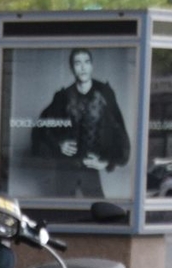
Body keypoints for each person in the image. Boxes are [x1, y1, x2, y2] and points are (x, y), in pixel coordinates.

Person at [33, 48, 132, 198]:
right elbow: (42, 128)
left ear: (92, 65)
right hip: (65, 170)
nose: (83, 67)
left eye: (86, 62)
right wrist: (58, 144)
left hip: (90, 169)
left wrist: (107, 162)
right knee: (61, 212)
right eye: (77, 63)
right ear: (72, 68)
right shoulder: (63, 96)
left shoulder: (104, 94)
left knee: (98, 213)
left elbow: (119, 130)